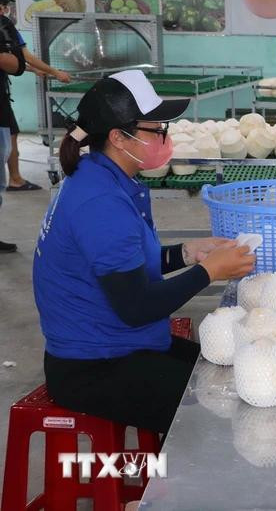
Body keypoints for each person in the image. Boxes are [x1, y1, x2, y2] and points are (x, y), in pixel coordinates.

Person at [32, 69, 256, 433]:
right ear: (120, 137)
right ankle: (171, 485)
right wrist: (209, 272)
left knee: (222, 367)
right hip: (94, 366)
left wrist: (187, 253)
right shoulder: (101, 202)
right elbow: (136, 307)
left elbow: (122, 267)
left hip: (114, 343)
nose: (164, 137)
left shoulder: (100, 175)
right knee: (224, 406)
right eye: (156, 129)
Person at [1, 0, 72, 192]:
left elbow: (10, 61)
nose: (6, 9)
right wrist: (55, 72)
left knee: (12, 132)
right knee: (10, 134)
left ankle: (15, 178)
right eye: (5, 5)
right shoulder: (4, 25)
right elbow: (25, 56)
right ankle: (15, 179)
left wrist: (34, 71)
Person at [0, 7, 27, 253]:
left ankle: (15, 179)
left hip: (1, 107)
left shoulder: (3, 26)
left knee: (7, 147)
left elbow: (18, 63)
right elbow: (16, 62)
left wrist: (46, 71)